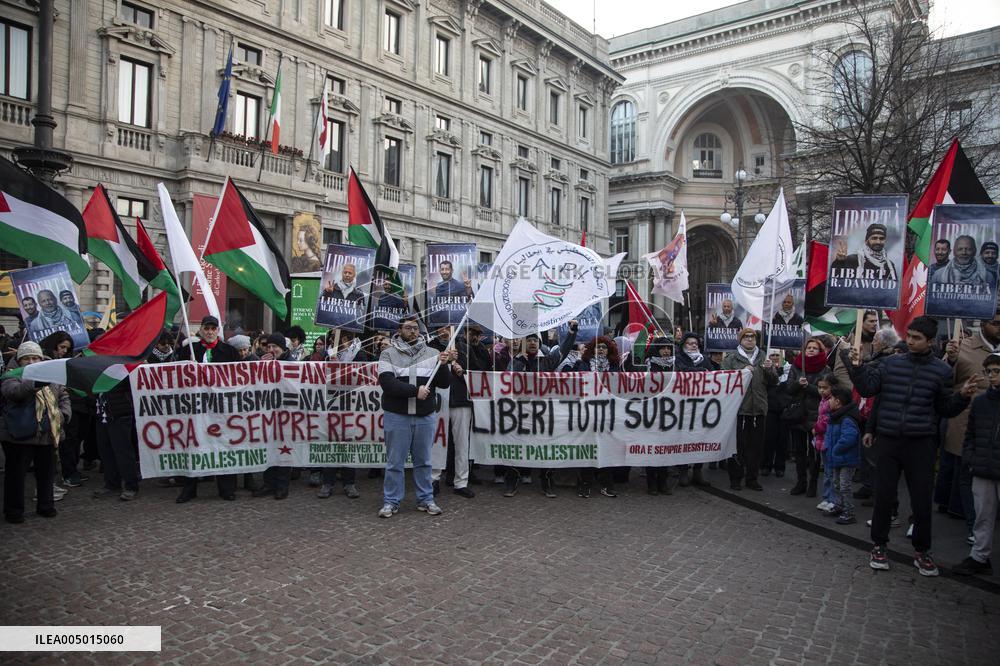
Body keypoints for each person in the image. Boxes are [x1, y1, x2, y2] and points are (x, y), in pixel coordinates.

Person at [845, 315, 979, 575]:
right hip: (890, 439)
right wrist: (858, 366)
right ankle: (879, 546)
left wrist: (962, 397)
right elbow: (869, 389)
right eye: (909, 336)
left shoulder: (941, 372)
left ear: (930, 341)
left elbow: (945, 408)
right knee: (884, 496)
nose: (911, 341)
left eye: (917, 338)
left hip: (921, 442)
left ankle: (922, 550)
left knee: (921, 500)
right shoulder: (891, 364)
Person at [377, 315, 456, 518]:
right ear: (400, 330)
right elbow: (387, 383)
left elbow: (445, 383)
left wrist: (445, 364)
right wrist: (415, 391)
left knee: (424, 461)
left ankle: (425, 499)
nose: (413, 331)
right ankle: (391, 501)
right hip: (397, 415)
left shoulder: (434, 353)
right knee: (395, 462)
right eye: (408, 328)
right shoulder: (388, 354)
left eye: (416, 328)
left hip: (424, 416)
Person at [938, 319, 1000, 541]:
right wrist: (951, 360)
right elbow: (944, 382)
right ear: (983, 324)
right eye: (996, 323)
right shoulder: (962, 346)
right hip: (968, 423)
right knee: (968, 474)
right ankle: (975, 530)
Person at [1, 342, 71, 523]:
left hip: (48, 433)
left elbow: (62, 394)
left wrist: (63, 415)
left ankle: (46, 505)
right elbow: (13, 392)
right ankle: (14, 511)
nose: (31, 361)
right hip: (19, 435)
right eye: (26, 358)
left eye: (35, 358)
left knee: (47, 473)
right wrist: (36, 382)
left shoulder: (50, 372)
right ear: (20, 360)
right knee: (16, 476)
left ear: (41, 358)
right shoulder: (11, 375)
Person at [507, 322, 578, 497]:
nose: (532, 343)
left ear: (539, 344)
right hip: (520, 413)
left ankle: (546, 481)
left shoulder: (547, 360)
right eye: (529, 340)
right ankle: (513, 480)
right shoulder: (516, 361)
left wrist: (571, 332)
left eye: (535, 340)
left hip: (543, 413)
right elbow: (507, 380)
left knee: (546, 445)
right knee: (516, 445)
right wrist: (520, 361)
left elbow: (564, 349)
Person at [175, 316, 240, 503]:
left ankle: (226, 488)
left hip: (221, 409)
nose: (210, 332)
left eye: (213, 328)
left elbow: (240, 378)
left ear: (218, 330)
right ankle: (190, 487)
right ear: (202, 330)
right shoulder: (190, 350)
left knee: (224, 446)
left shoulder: (229, 351)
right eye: (207, 328)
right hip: (195, 409)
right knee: (193, 446)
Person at [953, 353, 1000, 576]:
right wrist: (970, 457)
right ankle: (979, 556)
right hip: (983, 465)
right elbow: (970, 433)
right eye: (989, 371)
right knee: (983, 514)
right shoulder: (981, 401)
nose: (992, 376)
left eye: (997, 371)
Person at [432, 325, 490, 499]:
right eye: (440, 327)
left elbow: (479, 370)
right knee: (437, 441)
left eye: (448, 327)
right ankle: (433, 479)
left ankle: (461, 482)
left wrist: (461, 367)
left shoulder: (464, 347)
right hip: (438, 401)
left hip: (461, 399)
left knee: (462, 443)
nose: (444, 330)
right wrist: (442, 361)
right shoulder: (430, 346)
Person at [565, 337, 622, 498]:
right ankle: (585, 482)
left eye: (604, 347)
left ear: (609, 350)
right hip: (587, 413)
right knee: (587, 448)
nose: (601, 350)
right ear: (592, 350)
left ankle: (606, 482)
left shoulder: (615, 367)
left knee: (607, 448)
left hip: (608, 414)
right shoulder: (581, 365)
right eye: (598, 347)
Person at [721, 329, 777, 491]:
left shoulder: (762, 357)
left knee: (756, 447)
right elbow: (725, 379)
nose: (750, 340)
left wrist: (770, 370)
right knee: (737, 446)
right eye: (746, 337)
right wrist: (742, 372)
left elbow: (773, 382)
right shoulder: (731, 358)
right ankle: (736, 477)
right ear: (740, 340)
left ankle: (752, 478)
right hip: (739, 409)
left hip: (758, 408)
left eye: (753, 337)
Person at [785, 337, 830, 497]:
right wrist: (798, 384)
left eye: (815, 348)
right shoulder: (796, 366)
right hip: (798, 413)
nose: (811, 350)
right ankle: (801, 481)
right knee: (799, 451)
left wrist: (809, 387)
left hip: (815, 415)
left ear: (820, 351)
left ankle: (812, 483)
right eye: (808, 347)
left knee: (814, 452)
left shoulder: (825, 370)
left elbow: (825, 392)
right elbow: (789, 388)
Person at [252, 333, 295, 499]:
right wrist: (261, 367)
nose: (271, 349)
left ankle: (282, 486)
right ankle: (268, 483)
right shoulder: (264, 362)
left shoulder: (291, 363)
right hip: (268, 415)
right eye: (268, 347)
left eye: (274, 347)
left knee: (283, 451)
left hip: (286, 415)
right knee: (269, 449)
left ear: (282, 348)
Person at [673, 332, 713, 488]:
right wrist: (700, 372)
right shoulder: (678, 360)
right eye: (690, 343)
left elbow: (713, 376)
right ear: (683, 346)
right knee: (684, 439)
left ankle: (698, 471)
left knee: (699, 439)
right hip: (683, 407)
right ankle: (683, 471)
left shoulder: (706, 360)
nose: (693, 345)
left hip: (701, 406)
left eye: (695, 343)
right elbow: (681, 373)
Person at [825, 385, 862, 525]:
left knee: (844, 485)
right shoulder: (835, 416)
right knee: (836, 483)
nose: (829, 401)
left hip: (846, 458)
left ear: (838, 401)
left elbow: (849, 437)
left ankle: (849, 511)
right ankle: (839, 505)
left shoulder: (846, 418)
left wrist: (836, 449)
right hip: (837, 458)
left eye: (831, 398)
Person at [831, 223, 898, 281]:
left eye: (881, 238)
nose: (878, 242)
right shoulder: (852, 259)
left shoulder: (889, 265)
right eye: (874, 238)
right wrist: (839, 262)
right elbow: (835, 279)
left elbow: (893, 288)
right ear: (866, 241)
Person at [762, 350, 791, 478]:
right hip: (770, 409)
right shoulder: (765, 369)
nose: (774, 357)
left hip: (784, 409)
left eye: (777, 355)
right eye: (772, 355)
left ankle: (780, 466)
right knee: (768, 439)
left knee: (782, 440)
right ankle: (766, 465)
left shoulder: (790, 369)